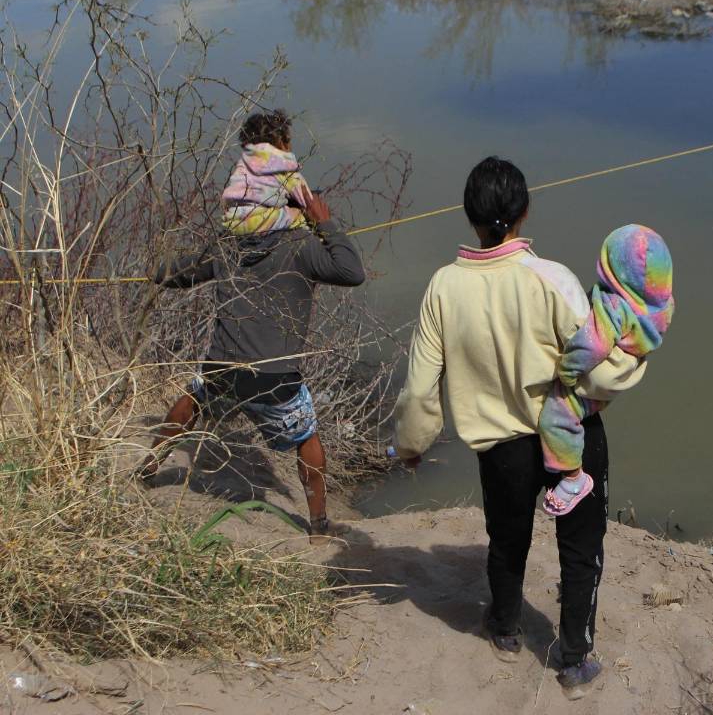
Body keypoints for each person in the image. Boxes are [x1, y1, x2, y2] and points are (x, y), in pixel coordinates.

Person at [391, 157, 647, 699]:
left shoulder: (443, 287)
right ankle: (575, 662)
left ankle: (505, 630)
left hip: (500, 448)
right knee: (580, 548)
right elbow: (598, 364)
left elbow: (419, 388)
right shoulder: (553, 278)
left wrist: (411, 444)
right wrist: (635, 358)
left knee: (507, 540)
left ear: (469, 216)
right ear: (525, 211)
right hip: (572, 437)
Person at [139, 109, 365, 543]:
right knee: (307, 436)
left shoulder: (226, 245)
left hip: (223, 366)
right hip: (274, 378)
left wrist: (154, 271)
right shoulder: (301, 246)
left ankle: (150, 466)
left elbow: (178, 273)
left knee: (194, 397)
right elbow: (351, 271)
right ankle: (319, 526)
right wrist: (325, 223)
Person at [538, 224, 674, 516]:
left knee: (557, 415)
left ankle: (573, 478)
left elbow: (592, 346)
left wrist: (567, 372)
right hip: (620, 379)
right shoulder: (662, 306)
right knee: (587, 409)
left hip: (593, 379)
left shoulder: (614, 307)